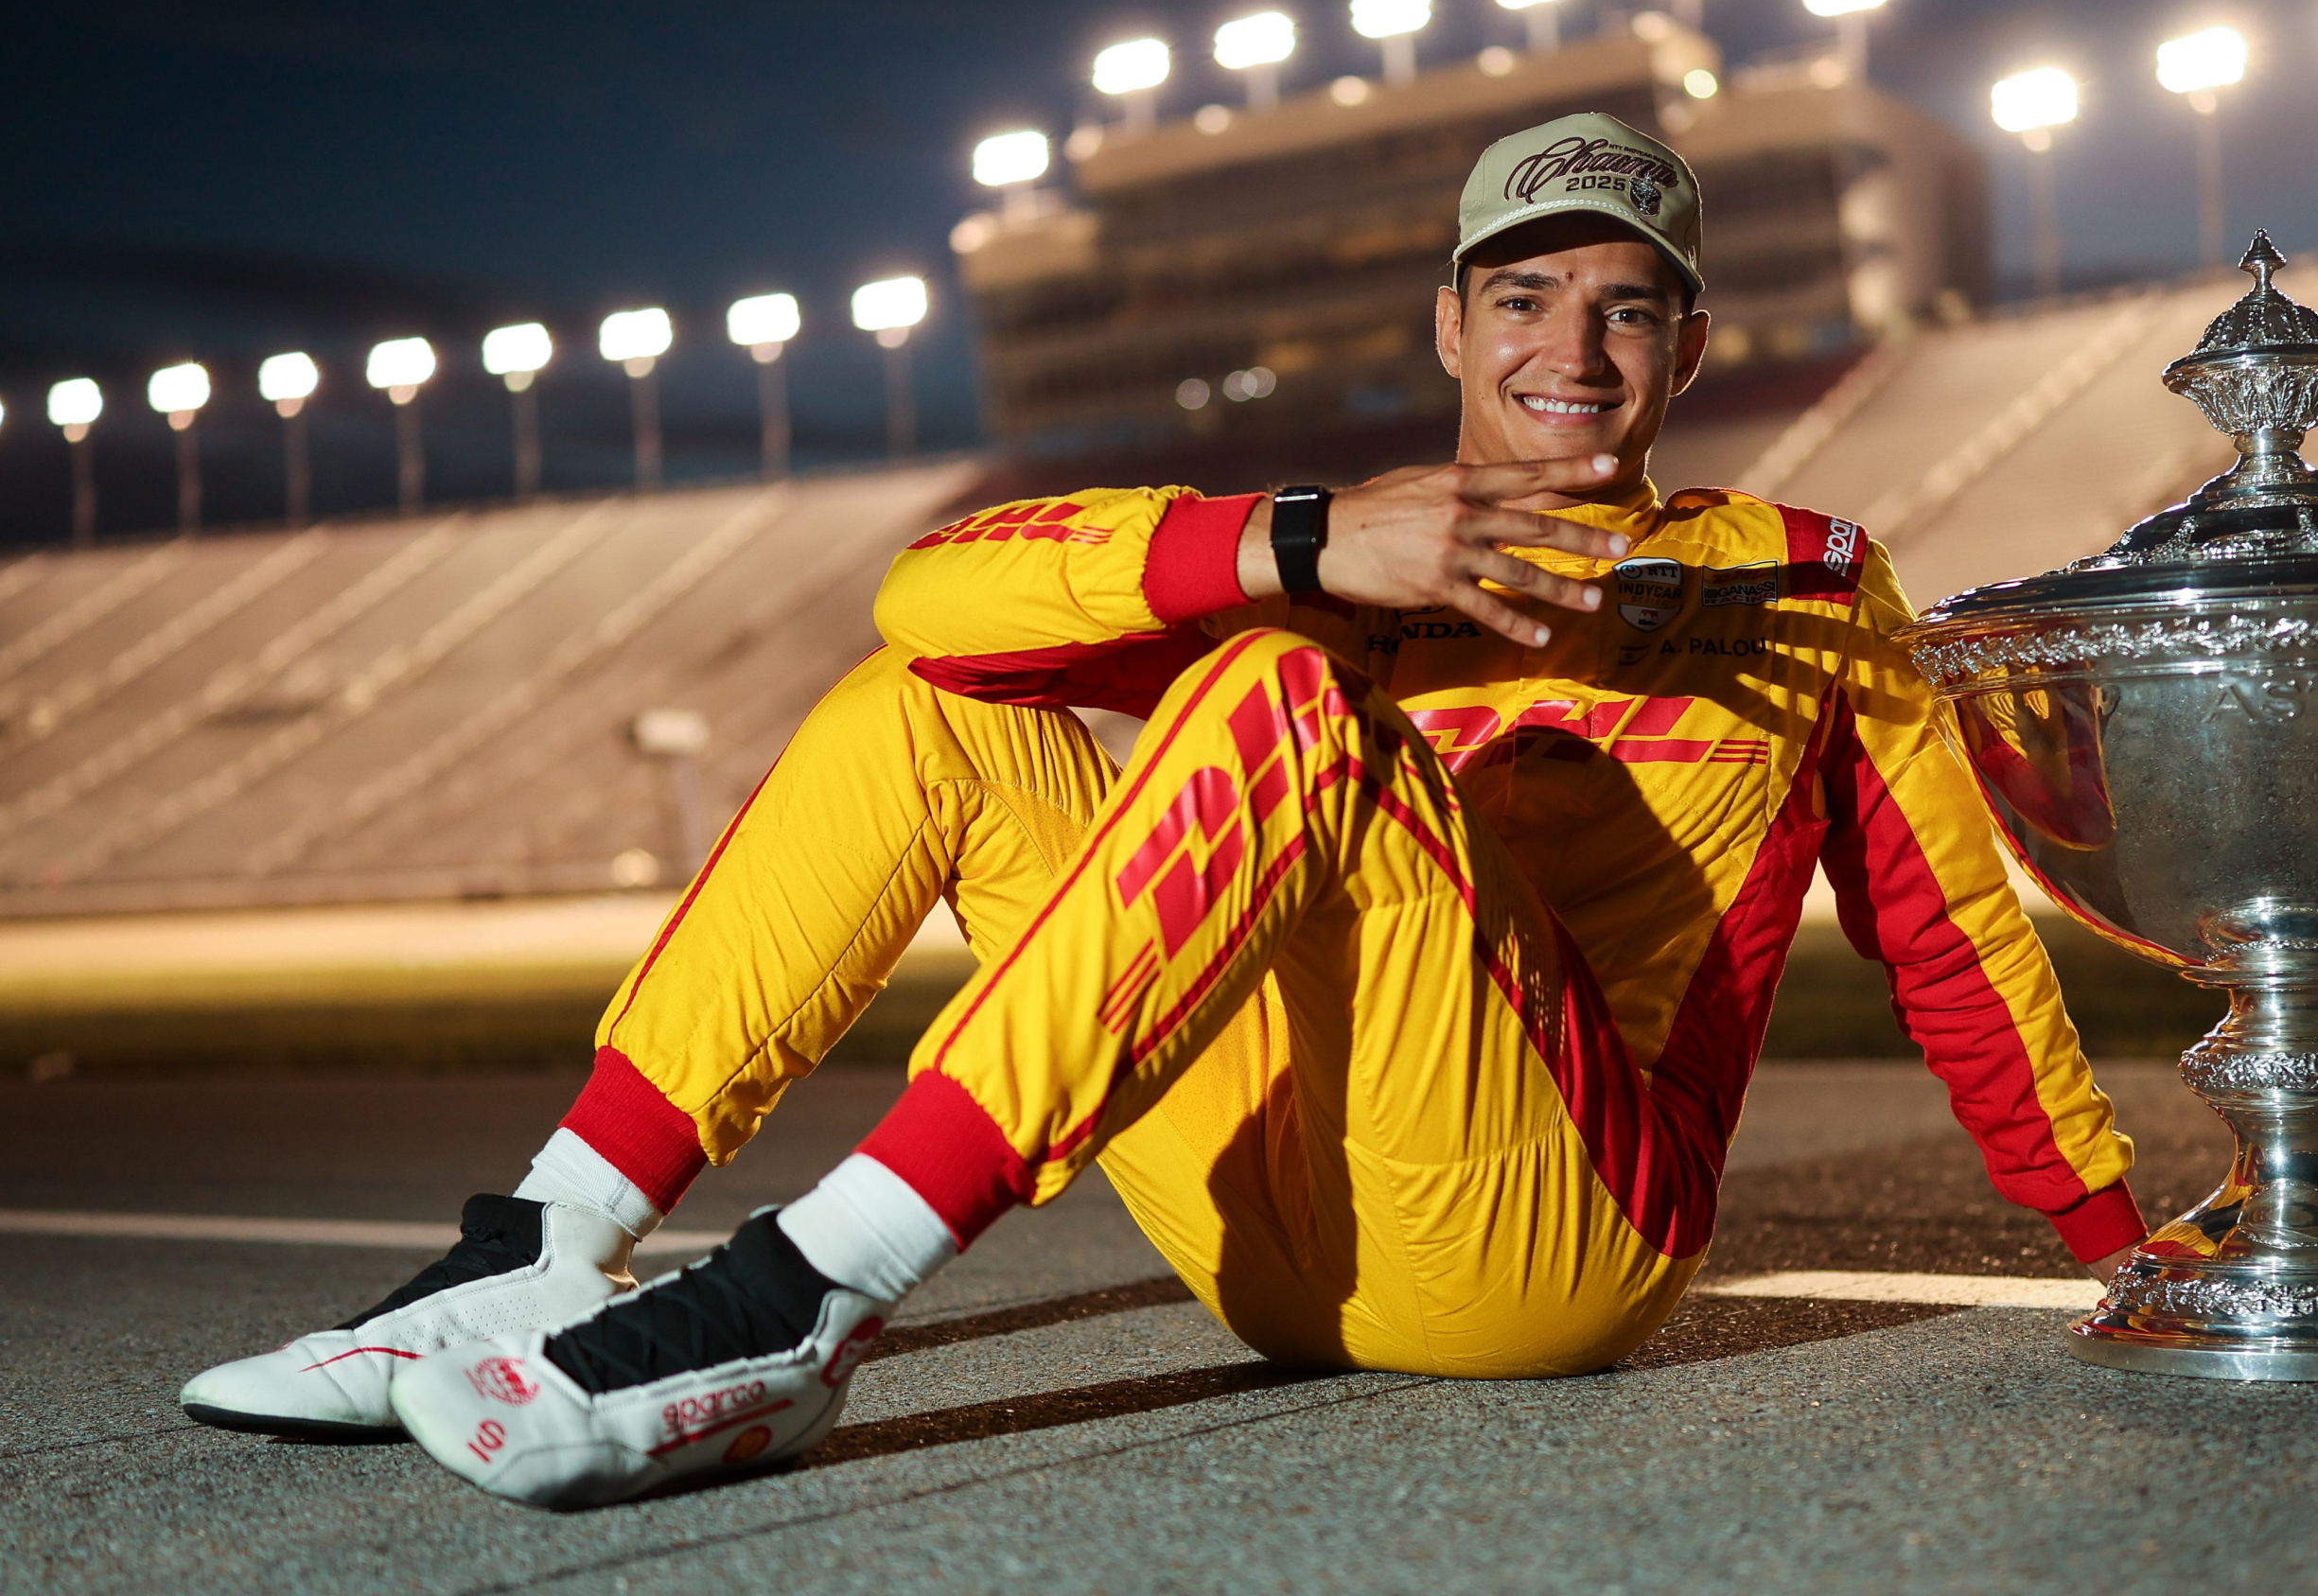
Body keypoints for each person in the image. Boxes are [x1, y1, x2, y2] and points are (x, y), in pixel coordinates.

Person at [180, 111, 2142, 1509]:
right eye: (1526, 296)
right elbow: (925, 593)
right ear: (1449, 328)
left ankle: (803, 1297)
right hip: (1268, 1240)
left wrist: (2122, 1230)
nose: (1573, 348)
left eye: (1630, 308)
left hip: (1555, 1247)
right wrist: (1297, 543)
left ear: (1691, 348)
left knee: (1280, 697)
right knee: (928, 706)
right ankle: (551, 1233)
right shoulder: (1348, 549)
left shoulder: (1800, 576)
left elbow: (1952, 929)